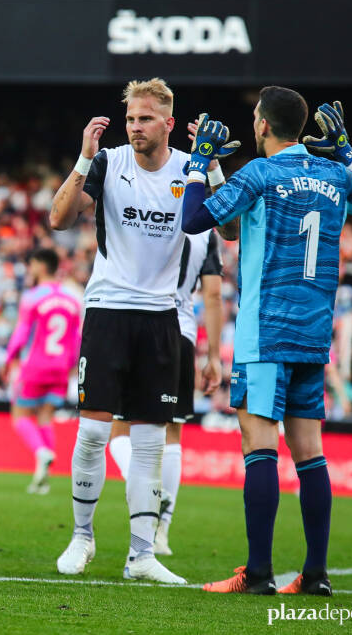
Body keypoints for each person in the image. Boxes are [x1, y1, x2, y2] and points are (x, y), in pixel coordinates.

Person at [181, 91, 352, 595]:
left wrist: (199, 162)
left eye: (254, 119)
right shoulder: (334, 175)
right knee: (310, 453)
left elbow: (194, 222)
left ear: (264, 125)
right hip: (314, 332)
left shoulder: (261, 173)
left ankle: (257, 575)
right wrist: (347, 152)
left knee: (259, 447)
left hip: (265, 330)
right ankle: (315, 575)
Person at [48, 77, 196, 584]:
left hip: (161, 318)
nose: (135, 127)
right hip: (108, 308)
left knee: (151, 443)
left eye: (146, 118)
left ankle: (141, 555)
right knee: (92, 432)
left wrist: (214, 167)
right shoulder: (109, 162)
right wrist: (84, 158)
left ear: (168, 123)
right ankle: (82, 537)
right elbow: (59, 219)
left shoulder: (189, 169)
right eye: (131, 118)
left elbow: (230, 230)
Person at [108, 226, 224, 554]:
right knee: (172, 432)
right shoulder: (207, 233)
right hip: (182, 334)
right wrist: (213, 355)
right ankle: (162, 535)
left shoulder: (149, 212)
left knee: (119, 430)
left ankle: (149, 492)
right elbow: (213, 295)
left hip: (138, 324)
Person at [2, 248, 82, 494]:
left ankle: (41, 451)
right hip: (61, 367)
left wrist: (9, 358)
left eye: (31, 263)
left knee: (20, 415)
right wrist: (72, 366)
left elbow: (22, 333)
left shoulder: (33, 297)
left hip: (36, 364)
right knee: (46, 416)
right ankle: (43, 478)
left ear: (39, 265)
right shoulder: (73, 298)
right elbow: (77, 338)